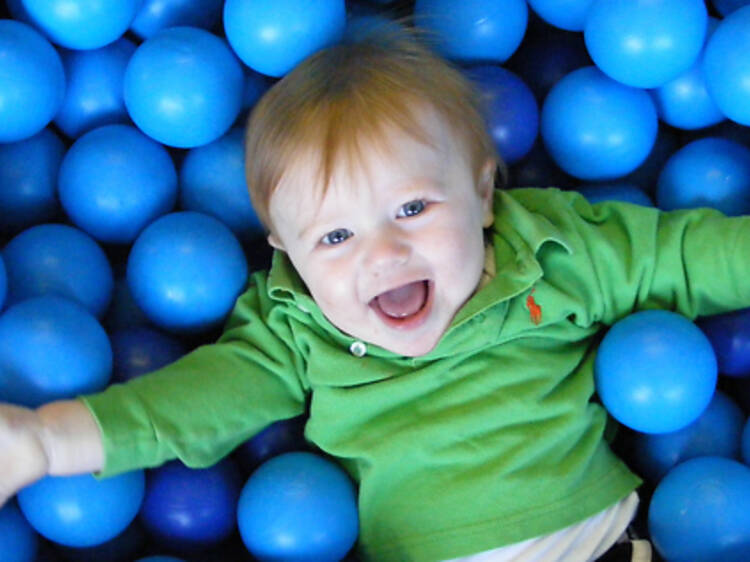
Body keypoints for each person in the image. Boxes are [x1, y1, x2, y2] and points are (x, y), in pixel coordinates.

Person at [1, 27, 749, 562]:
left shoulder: (551, 248)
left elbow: (685, 256)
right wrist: (44, 440)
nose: (384, 254)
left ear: (484, 193)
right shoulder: (294, 330)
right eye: (334, 238)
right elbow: (188, 406)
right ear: (287, 256)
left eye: (414, 209)